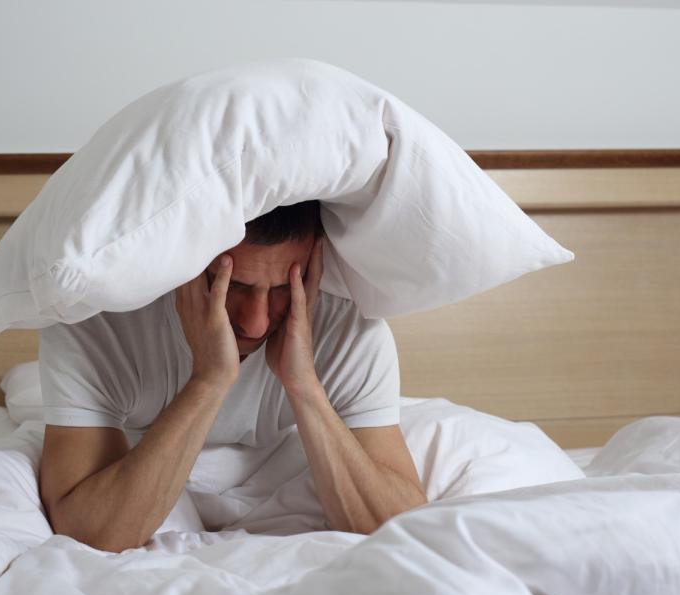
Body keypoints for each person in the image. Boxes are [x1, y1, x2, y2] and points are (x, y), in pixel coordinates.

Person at [37, 200, 426, 552]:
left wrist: (304, 384)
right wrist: (209, 380)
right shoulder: (97, 323)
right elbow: (92, 535)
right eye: (232, 286)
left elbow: (402, 530)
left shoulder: (346, 326)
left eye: (281, 290)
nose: (255, 324)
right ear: (184, 267)